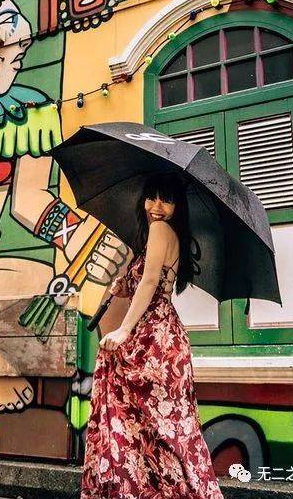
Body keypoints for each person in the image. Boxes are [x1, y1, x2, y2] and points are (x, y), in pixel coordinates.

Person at [81, 173, 224, 499]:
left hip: (153, 341)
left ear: (177, 207)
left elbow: (149, 285)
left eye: (166, 200)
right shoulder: (164, 237)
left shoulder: (160, 230)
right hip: (165, 339)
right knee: (167, 430)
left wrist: (124, 329)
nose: (156, 207)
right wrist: (124, 286)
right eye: (152, 198)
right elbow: (149, 284)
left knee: (148, 428)